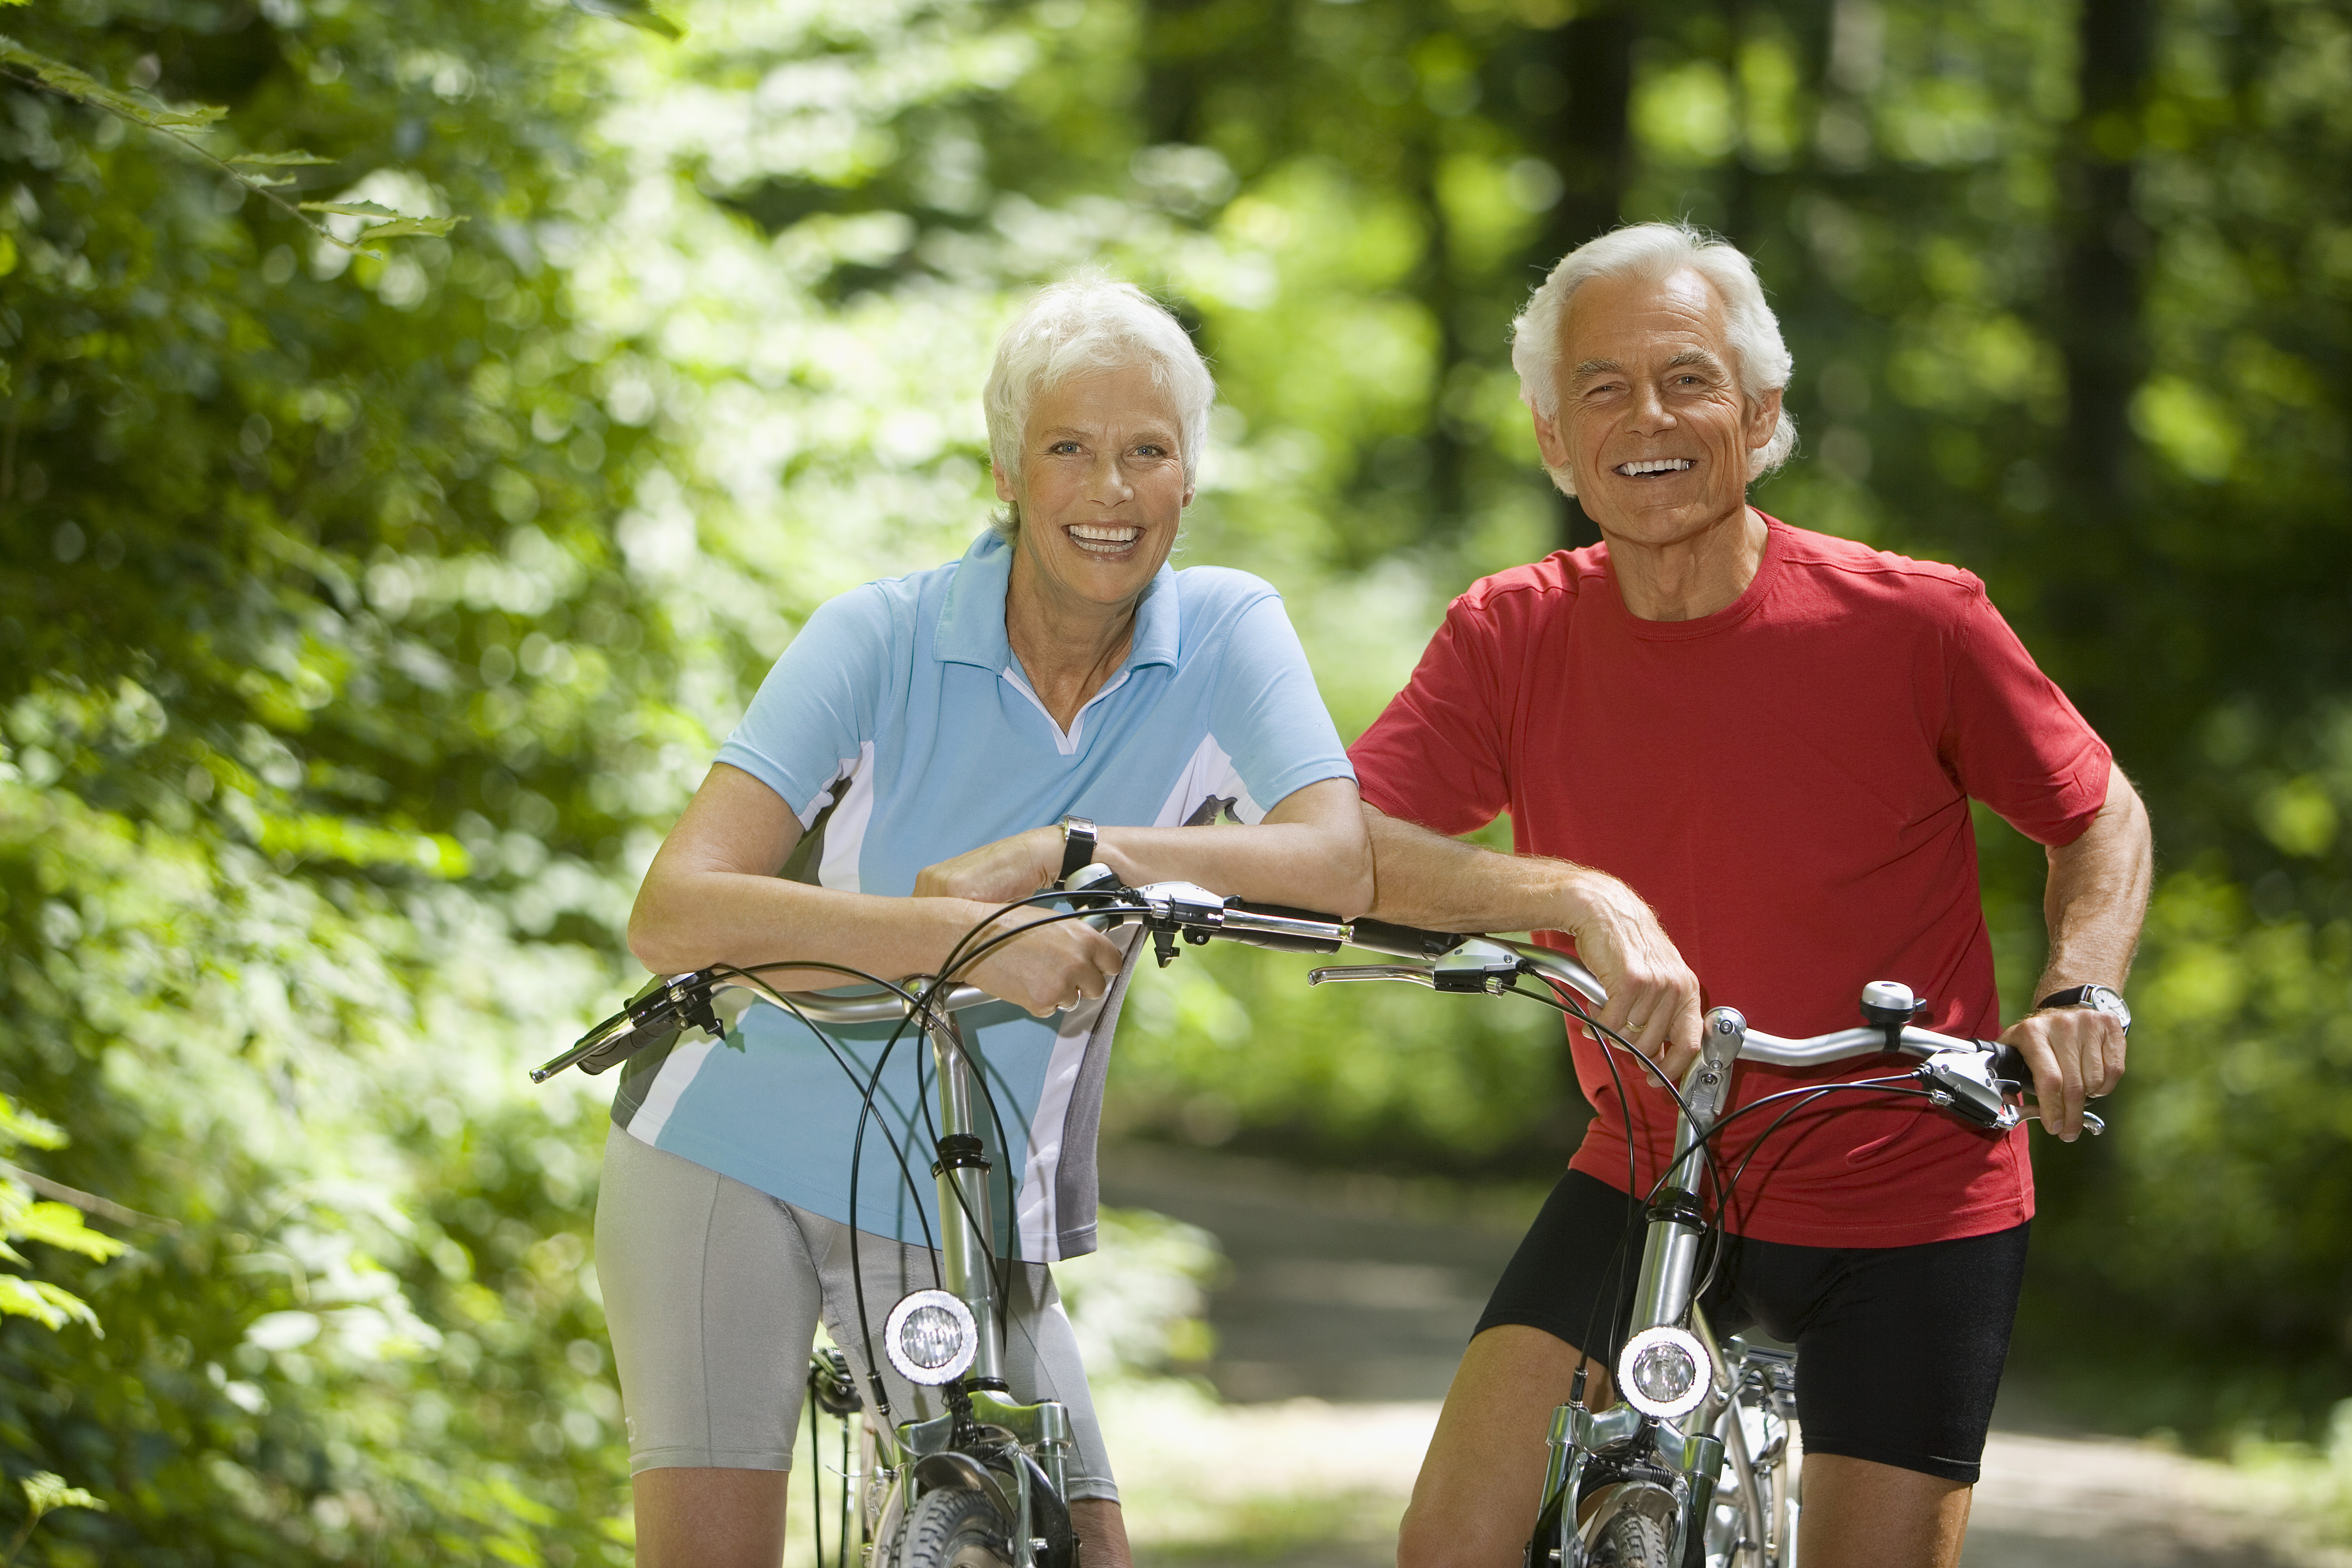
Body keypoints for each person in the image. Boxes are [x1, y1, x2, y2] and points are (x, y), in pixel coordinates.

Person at [1351, 223, 2153, 1568]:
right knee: (1455, 1547)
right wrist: (1581, 896)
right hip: (1656, 1164)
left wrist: (2081, 984)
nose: (1646, 417)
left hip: (1911, 1186)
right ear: (1554, 439)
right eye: (1600, 388)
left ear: (1761, 414)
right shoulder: (1513, 632)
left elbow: (2098, 809)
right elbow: (1353, 848)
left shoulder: (1916, 622)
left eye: (1688, 378)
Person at [606, 276, 1373, 1568]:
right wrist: (964, 943)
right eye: (1068, 448)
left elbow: (1334, 861)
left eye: (1148, 451)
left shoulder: (1231, 634)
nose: (1110, 489)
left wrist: (1074, 854)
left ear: (1192, 475)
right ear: (1007, 472)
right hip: (728, 1141)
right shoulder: (878, 635)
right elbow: (675, 910)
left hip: (956, 1179)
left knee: (1085, 1544)